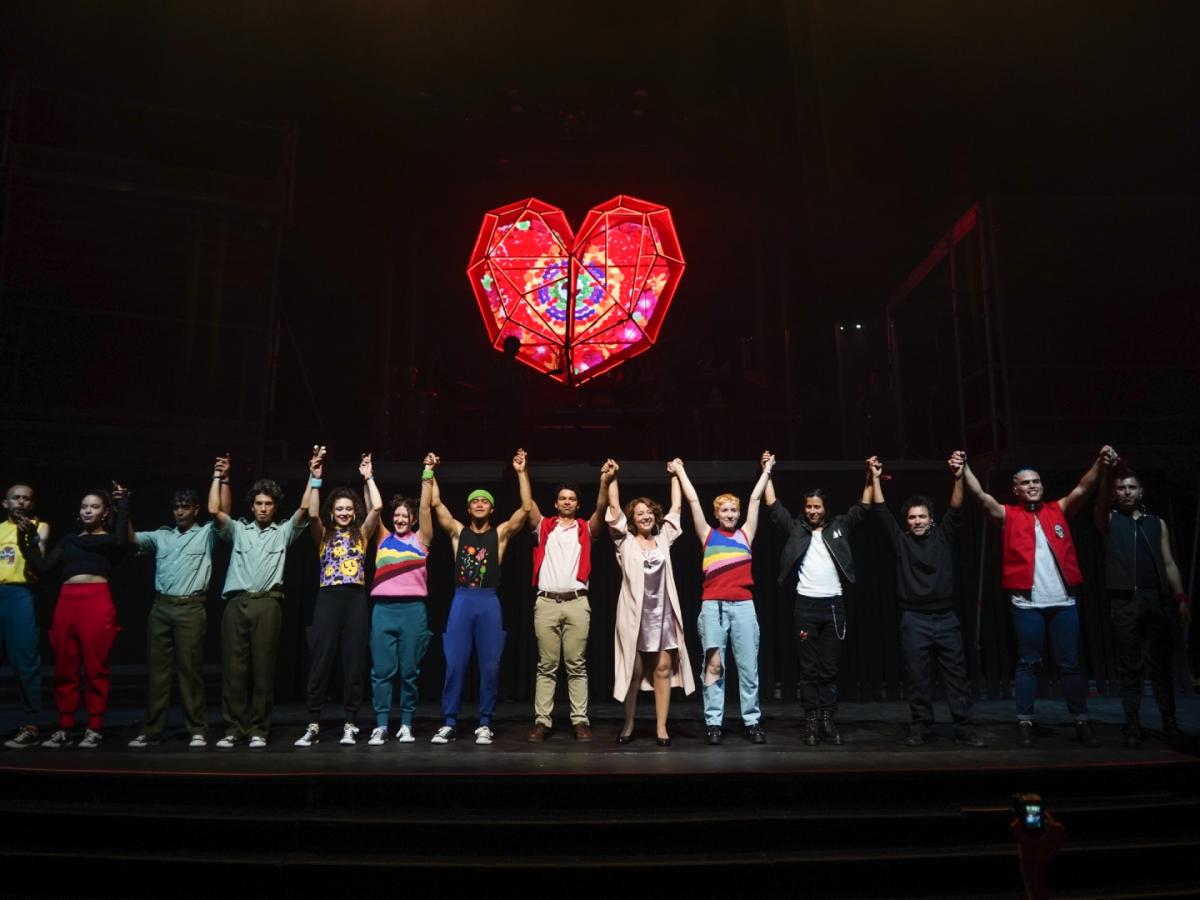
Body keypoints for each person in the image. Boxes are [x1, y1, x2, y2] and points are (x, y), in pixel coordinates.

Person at [960, 446, 1116, 748]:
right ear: (1016, 489)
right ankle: (1025, 722)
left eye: (1037, 482)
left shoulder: (1058, 510)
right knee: (1028, 663)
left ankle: (1082, 721)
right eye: (1026, 482)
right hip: (1027, 605)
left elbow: (1085, 486)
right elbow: (980, 497)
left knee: (1070, 664)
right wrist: (964, 468)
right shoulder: (1008, 515)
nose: (1033, 486)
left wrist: (1098, 461)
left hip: (1063, 603)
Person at [870, 452, 985, 747]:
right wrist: (874, 477)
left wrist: (958, 477)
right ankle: (921, 726)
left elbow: (956, 508)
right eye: (912, 517)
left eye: (922, 516)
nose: (918, 520)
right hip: (914, 619)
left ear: (931, 520)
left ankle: (964, 726)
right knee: (917, 677)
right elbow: (881, 511)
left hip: (946, 617)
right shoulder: (901, 541)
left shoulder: (943, 536)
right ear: (906, 522)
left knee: (956, 676)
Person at [209, 450, 316, 749]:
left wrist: (313, 475)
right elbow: (215, 510)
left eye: (269, 504)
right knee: (234, 670)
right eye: (259, 503)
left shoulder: (282, 533)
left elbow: (305, 510)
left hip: (267, 604)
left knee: (263, 669)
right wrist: (221, 475)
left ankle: (258, 729)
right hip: (236, 603)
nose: (263, 508)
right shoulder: (238, 530)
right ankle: (233, 728)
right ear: (252, 506)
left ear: (275, 506)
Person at [764, 454, 872, 746]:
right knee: (809, 669)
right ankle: (811, 720)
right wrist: (767, 471)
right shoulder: (796, 528)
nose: (812, 511)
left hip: (834, 606)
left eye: (817, 506)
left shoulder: (839, 527)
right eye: (808, 506)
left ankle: (828, 719)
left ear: (825, 508)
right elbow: (773, 505)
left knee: (830, 668)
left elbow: (863, 507)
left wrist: (870, 475)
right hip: (805, 606)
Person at [428, 450, 532, 745]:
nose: (479, 503)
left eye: (484, 500)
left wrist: (522, 472)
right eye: (474, 500)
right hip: (461, 601)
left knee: (490, 665)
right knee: (455, 663)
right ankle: (449, 721)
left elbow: (525, 508)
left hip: (488, 602)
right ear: (469, 507)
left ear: (491, 508)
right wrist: (429, 472)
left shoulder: (500, 534)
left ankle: (485, 722)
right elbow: (435, 503)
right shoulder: (457, 533)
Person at [19, 485, 130, 749]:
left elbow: (121, 541)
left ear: (105, 513)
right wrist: (26, 541)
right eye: (84, 506)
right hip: (67, 602)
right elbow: (44, 567)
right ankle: (65, 725)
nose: (88, 510)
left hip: (96, 601)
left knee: (95, 667)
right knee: (64, 667)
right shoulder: (69, 540)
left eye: (94, 506)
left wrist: (123, 504)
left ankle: (94, 727)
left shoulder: (110, 540)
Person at [126, 474, 232, 749]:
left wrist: (222, 478)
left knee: (190, 672)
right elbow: (132, 540)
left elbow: (223, 513)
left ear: (196, 509)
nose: (180, 511)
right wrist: (122, 508)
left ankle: (197, 729)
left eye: (185, 506)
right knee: (157, 672)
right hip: (161, 607)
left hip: (191, 607)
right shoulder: (162, 535)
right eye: (176, 507)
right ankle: (151, 730)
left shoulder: (207, 533)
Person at [674, 455, 774, 746]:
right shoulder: (707, 534)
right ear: (717, 514)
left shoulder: (746, 534)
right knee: (714, 666)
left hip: (743, 606)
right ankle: (714, 723)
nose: (730, 514)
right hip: (713, 607)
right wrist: (681, 470)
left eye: (734, 510)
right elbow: (693, 502)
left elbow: (756, 499)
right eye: (725, 511)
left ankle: (752, 721)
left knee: (748, 667)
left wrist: (767, 469)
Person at [1094, 463, 1191, 746]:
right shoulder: (1108, 519)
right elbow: (1100, 502)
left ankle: (1170, 723)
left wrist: (1181, 598)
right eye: (1121, 488)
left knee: (1161, 666)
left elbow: (1169, 562)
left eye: (1131, 487)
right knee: (1130, 667)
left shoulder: (1155, 522)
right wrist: (1104, 476)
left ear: (1140, 491)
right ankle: (1133, 724)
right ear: (1114, 493)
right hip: (1125, 601)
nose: (1126, 492)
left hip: (1156, 599)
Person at [294, 451, 383, 748]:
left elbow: (378, 506)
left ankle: (350, 723)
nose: (344, 512)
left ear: (354, 512)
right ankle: (313, 723)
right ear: (333, 513)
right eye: (339, 509)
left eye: (348, 508)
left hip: (355, 598)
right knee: (321, 660)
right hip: (328, 599)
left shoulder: (362, 535)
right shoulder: (324, 535)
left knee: (354, 661)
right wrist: (316, 478)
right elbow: (312, 514)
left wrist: (368, 476)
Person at [606, 460, 695, 746]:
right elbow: (614, 510)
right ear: (633, 519)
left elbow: (677, 509)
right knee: (632, 672)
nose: (644, 516)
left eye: (648, 512)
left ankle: (661, 727)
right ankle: (629, 724)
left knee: (662, 670)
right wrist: (613, 477)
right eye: (639, 513)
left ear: (654, 516)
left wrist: (675, 475)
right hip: (635, 616)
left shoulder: (663, 538)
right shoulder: (625, 542)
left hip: (663, 615)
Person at [524, 458, 613, 743]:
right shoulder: (544, 527)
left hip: (577, 603)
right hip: (547, 603)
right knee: (546, 665)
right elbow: (528, 506)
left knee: (576, 665)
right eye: (562, 498)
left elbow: (602, 509)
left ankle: (580, 721)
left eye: (571, 498)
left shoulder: (584, 528)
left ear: (577, 504)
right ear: (556, 503)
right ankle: (542, 721)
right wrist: (522, 471)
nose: (566, 502)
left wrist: (604, 481)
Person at [365, 453, 436, 746]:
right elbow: (372, 510)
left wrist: (427, 473)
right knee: (381, 671)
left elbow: (426, 507)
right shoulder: (382, 538)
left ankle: (406, 724)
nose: (400, 519)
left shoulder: (422, 539)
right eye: (397, 516)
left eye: (405, 515)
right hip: (383, 610)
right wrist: (368, 477)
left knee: (409, 672)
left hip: (413, 610)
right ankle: (381, 725)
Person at [0, 483, 50, 749]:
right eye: (15, 498)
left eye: (26, 499)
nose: (21, 502)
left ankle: (31, 724)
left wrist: (27, 534)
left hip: (20, 594)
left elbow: (39, 560)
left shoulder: (39, 526)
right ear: (5, 503)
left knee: (25, 660)